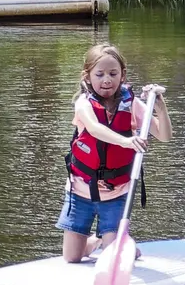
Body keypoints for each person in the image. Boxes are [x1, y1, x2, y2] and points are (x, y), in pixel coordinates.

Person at [61, 44, 170, 263]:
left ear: (122, 75)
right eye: (99, 74)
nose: (107, 80)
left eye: (113, 74)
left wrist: (159, 107)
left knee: (113, 259)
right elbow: (94, 128)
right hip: (81, 189)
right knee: (72, 257)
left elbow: (164, 135)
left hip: (115, 193)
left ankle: (116, 242)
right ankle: (99, 241)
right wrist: (127, 141)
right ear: (88, 76)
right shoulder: (83, 103)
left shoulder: (131, 105)